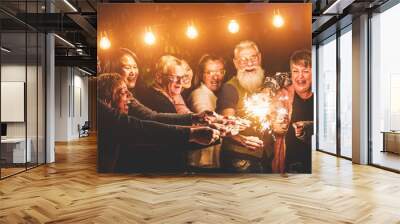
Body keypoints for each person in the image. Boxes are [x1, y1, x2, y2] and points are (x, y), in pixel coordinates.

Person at [97, 73, 221, 172]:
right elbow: (143, 128)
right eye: (123, 92)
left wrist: (197, 120)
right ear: (107, 100)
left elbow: (153, 118)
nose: (129, 96)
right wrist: (193, 132)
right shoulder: (104, 115)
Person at [216, 40, 266, 173]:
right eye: (243, 60)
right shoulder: (230, 88)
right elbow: (226, 125)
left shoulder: (265, 85)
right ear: (236, 63)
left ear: (259, 57)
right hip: (239, 159)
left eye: (253, 58)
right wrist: (243, 140)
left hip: (262, 157)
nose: (249, 64)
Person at [187, 54, 227, 170]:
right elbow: (205, 115)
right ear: (202, 75)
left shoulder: (214, 95)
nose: (215, 77)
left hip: (208, 161)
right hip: (201, 162)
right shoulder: (200, 94)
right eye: (209, 72)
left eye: (219, 72)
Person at [283, 50, 313, 173]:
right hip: (289, 164)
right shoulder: (283, 95)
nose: (300, 76)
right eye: (295, 71)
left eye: (305, 71)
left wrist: (310, 127)